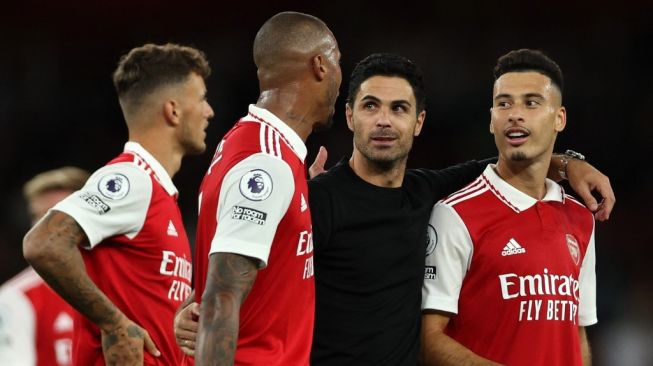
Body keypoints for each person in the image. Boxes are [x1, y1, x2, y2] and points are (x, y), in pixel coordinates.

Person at [175, 53, 614, 365]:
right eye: (371, 106)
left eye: (399, 109)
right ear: (349, 117)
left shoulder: (428, 193)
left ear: (418, 122)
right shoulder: (318, 200)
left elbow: (509, 162)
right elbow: (244, 267)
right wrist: (192, 309)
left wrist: (568, 163)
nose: (384, 121)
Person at [23, 43, 214, 365]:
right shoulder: (132, 178)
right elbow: (43, 243)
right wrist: (113, 322)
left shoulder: (158, 193)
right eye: (201, 98)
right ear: (173, 110)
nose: (209, 111)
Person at [421, 49, 597, 365]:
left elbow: (578, 334)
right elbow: (429, 341)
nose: (515, 113)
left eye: (531, 103)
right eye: (504, 103)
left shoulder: (581, 217)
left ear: (559, 118)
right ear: (492, 120)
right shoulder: (454, 215)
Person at [188, 11, 341, 366]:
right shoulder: (265, 163)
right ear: (320, 65)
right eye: (338, 61)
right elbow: (220, 299)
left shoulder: (253, 146)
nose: (339, 75)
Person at [0, 167, 89, 366]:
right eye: (36, 217)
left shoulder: (125, 282)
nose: (41, 228)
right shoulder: (16, 298)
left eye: (54, 215)